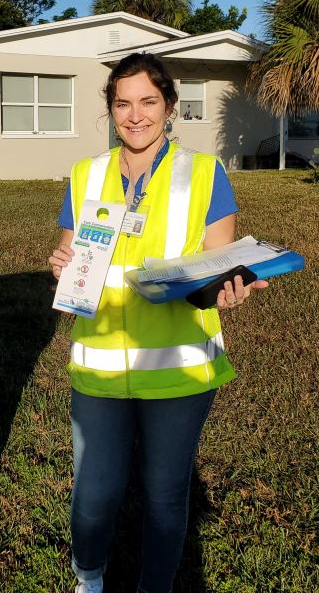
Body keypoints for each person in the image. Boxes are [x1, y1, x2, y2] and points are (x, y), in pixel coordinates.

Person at [48, 53, 268, 593]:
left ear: (169, 107)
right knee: (94, 492)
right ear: (110, 110)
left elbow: (216, 263)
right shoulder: (86, 175)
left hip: (179, 366)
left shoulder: (204, 172)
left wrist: (226, 288)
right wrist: (60, 263)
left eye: (148, 102)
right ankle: (89, 580)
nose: (136, 115)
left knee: (165, 494)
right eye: (123, 103)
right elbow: (66, 252)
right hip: (99, 366)